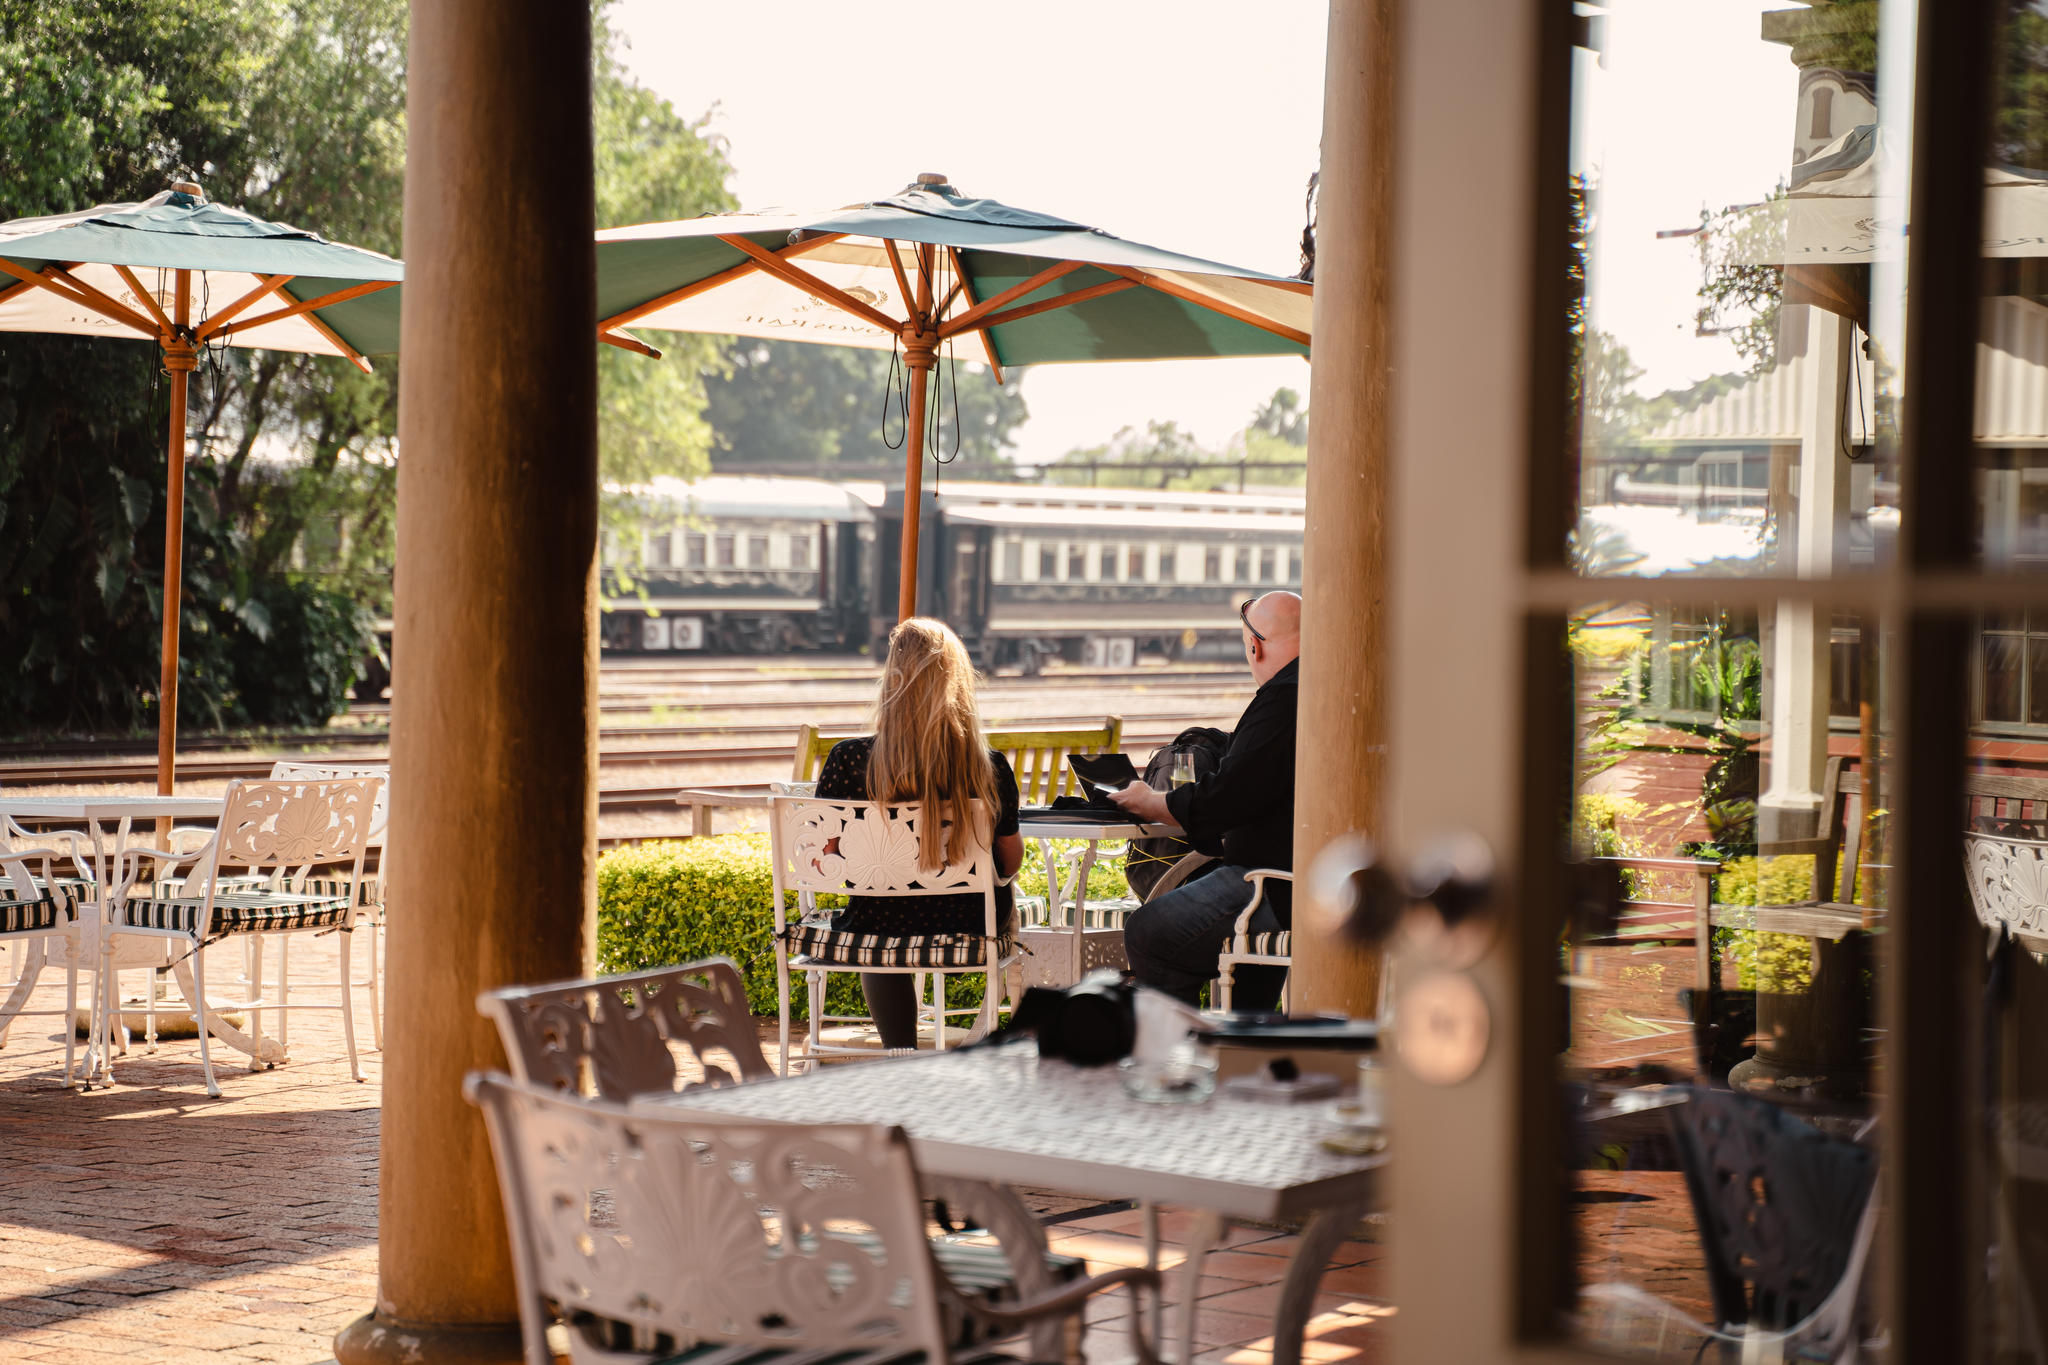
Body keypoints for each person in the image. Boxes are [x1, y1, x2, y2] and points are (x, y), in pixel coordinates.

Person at [813, 618, 1024, 1049]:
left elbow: (826, 853)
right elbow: (1009, 861)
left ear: (890, 681)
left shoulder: (848, 760)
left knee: (883, 924)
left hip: (878, 923)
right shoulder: (988, 766)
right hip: (967, 923)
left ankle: (900, 1052)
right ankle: (985, 1051)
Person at [1108, 591, 1300, 1010]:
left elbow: (1230, 798)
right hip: (1305, 879)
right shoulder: (1317, 689)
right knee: (1244, 957)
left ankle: (1172, 1059)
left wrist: (1153, 802)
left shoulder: (1283, 698)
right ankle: (1250, 1037)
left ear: (1255, 645)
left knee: (1149, 933)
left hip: (1273, 884)